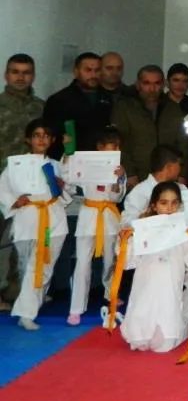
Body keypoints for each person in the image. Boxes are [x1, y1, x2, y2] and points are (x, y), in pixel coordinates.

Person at [0, 119, 72, 330]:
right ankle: (33, 301)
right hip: (27, 218)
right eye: (37, 135)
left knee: (42, 266)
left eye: (46, 135)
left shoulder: (57, 165)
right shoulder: (15, 165)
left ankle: (26, 312)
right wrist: (15, 201)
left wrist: (62, 187)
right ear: (28, 140)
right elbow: (2, 189)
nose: (41, 139)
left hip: (53, 220)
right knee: (27, 266)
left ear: (52, 140)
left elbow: (67, 197)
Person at [118, 181, 188, 352]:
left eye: (174, 203)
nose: (169, 208)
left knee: (163, 346)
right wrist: (126, 241)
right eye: (164, 203)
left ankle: (180, 328)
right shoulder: (142, 227)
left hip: (169, 288)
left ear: (179, 205)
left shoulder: (183, 229)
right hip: (145, 287)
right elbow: (128, 263)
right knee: (139, 342)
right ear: (154, 205)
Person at [67, 126, 126, 325]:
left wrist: (118, 180)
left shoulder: (119, 168)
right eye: (112, 146)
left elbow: (117, 197)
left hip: (108, 216)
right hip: (88, 215)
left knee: (110, 261)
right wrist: (69, 157)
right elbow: (70, 183)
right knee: (82, 263)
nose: (116, 149)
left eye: (118, 146)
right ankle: (76, 308)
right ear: (100, 147)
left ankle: (111, 294)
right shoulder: (85, 163)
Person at [0, 53, 44, 309]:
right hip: (1, 181)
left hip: (30, 186)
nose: (20, 77)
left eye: (26, 72)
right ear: (6, 75)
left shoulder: (40, 107)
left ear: (33, 76)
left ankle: (17, 292)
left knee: (24, 241)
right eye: (15, 72)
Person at [111, 65, 188, 186]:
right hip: (137, 176)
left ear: (163, 84)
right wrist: (130, 173)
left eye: (156, 83)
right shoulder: (124, 108)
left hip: (168, 176)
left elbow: (183, 144)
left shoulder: (173, 109)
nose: (152, 89)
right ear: (138, 84)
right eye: (146, 83)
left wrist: (182, 174)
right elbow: (119, 143)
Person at [43, 52, 113, 160]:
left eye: (97, 70)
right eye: (88, 70)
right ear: (76, 72)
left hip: (102, 160)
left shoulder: (109, 99)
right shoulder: (59, 100)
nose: (93, 75)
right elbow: (50, 137)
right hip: (69, 161)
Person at [122, 145, 185, 227]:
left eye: (175, 202)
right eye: (180, 165)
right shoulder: (138, 192)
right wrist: (145, 219)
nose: (181, 169)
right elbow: (126, 224)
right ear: (169, 167)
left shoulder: (183, 189)